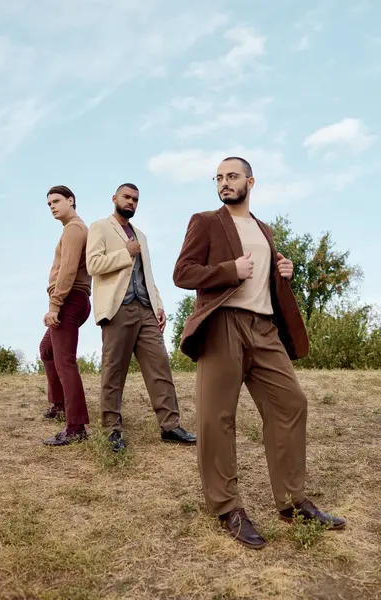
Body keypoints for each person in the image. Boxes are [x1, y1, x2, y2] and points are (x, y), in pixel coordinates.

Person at [173, 157, 346, 549]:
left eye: (232, 176)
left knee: (290, 403)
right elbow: (183, 272)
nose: (224, 183)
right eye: (218, 178)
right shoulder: (206, 221)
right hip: (223, 325)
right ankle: (227, 507)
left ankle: (292, 501)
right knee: (217, 417)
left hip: (265, 328)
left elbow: (261, 278)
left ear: (251, 181)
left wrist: (281, 272)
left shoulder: (263, 229)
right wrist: (228, 270)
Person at [86, 183, 196, 452]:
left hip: (145, 308)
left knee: (160, 367)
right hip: (117, 309)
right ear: (114, 198)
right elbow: (93, 265)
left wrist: (158, 305)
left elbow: (148, 274)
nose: (131, 202)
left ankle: (170, 426)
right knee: (114, 371)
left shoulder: (141, 236)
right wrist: (126, 253)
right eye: (126, 197)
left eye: (135, 199)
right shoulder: (100, 227)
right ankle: (112, 430)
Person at [40, 185, 92, 446]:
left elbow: (68, 271)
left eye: (56, 201)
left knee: (65, 362)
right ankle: (59, 404)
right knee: (47, 350)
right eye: (49, 203)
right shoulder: (73, 228)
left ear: (71, 200)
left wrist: (55, 305)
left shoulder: (73, 229)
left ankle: (75, 427)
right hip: (75, 299)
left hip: (70, 299)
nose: (52, 206)